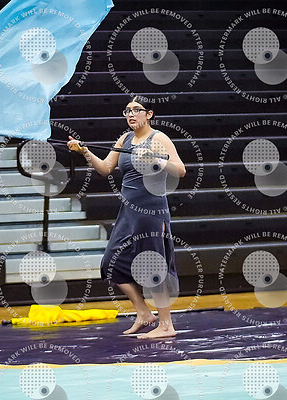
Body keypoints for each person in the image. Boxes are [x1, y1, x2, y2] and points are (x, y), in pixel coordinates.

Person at [67, 96, 186, 338]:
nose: (130, 114)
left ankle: (166, 325)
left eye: (136, 110)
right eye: (127, 111)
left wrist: (156, 160)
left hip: (151, 211)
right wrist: (84, 151)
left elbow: (180, 170)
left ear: (149, 114)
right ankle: (143, 313)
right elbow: (105, 169)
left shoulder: (159, 138)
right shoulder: (125, 139)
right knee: (110, 263)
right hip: (128, 212)